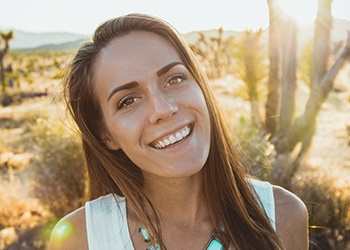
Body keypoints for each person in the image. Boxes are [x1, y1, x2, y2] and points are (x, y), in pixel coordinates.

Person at [48, 13, 308, 250]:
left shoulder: (283, 216)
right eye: (128, 100)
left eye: (175, 79)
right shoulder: (80, 239)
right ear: (105, 134)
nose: (164, 108)